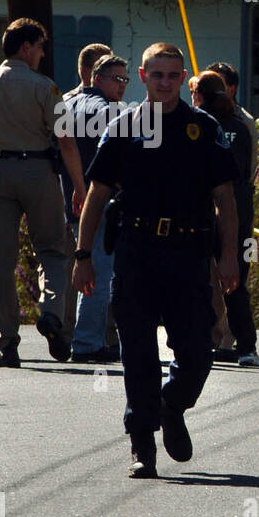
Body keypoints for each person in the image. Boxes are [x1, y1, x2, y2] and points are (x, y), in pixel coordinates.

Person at [73, 42, 239, 478]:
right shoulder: (124, 127)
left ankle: (172, 404)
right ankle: (142, 444)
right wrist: (82, 254)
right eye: (157, 75)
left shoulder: (203, 128)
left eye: (173, 75)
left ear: (183, 79)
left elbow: (225, 197)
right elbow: (97, 194)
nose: (165, 82)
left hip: (187, 254)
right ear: (143, 78)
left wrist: (229, 257)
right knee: (139, 354)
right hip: (137, 251)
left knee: (198, 352)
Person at [0, 18, 86, 368]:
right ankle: (52, 314)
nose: (42, 54)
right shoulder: (45, 87)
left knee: (3, 260)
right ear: (26, 48)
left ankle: (8, 344)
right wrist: (80, 188)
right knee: (54, 251)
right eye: (40, 47)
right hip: (39, 171)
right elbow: (66, 141)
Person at [191, 71, 259, 368]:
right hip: (240, 213)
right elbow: (248, 171)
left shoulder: (193, 125)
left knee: (198, 279)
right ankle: (247, 347)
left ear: (199, 95)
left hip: (202, 211)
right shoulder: (242, 126)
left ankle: (203, 339)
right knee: (237, 281)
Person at [64, 54, 129, 362]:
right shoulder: (110, 112)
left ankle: (76, 336)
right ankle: (88, 342)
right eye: (117, 79)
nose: (122, 86)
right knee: (99, 275)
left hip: (68, 198)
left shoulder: (67, 104)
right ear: (97, 78)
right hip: (99, 201)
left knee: (78, 270)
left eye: (126, 80)